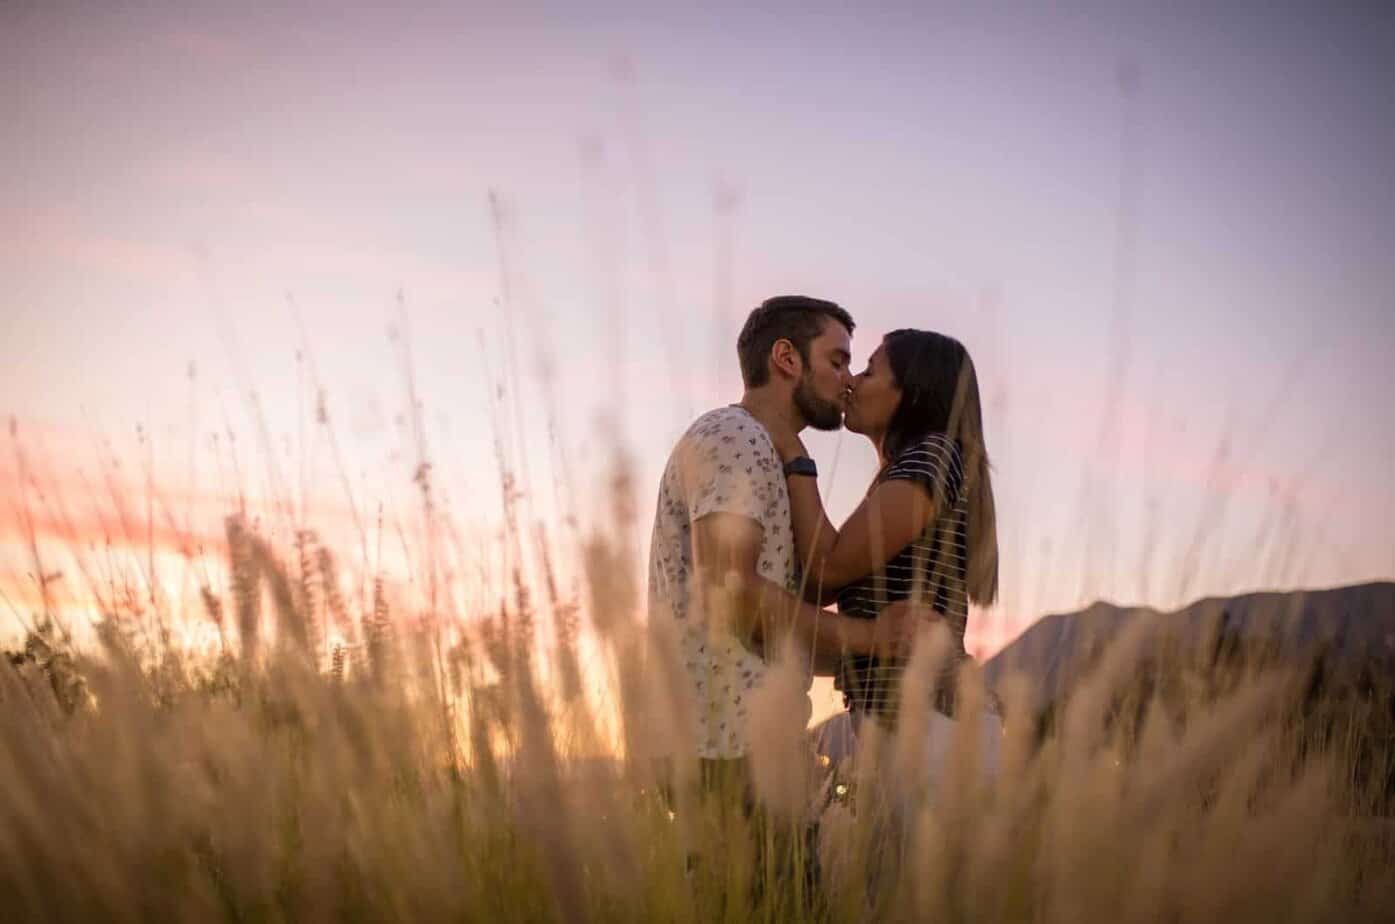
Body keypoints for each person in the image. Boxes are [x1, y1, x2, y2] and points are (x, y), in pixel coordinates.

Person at [646, 298, 941, 781]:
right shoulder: (734, 436)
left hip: (754, 748)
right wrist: (870, 637)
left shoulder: (771, 453)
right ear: (786, 358)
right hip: (720, 750)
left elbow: (774, 626)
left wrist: (884, 654)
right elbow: (731, 595)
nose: (848, 379)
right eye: (838, 360)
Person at [764, 329, 1001, 775]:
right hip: (914, 728)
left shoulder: (932, 457)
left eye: (870, 371)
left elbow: (828, 569)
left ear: (911, 393)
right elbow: (820, 583)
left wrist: (795, 456)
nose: (851, 380)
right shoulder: (910, 468)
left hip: (934, 730)